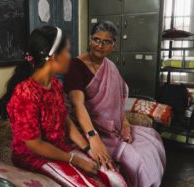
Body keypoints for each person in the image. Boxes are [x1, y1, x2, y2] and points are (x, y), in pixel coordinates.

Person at [0, 25, 127, 187]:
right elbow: (35, 144)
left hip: (60, 148)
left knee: (114, 177)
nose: (70, 57)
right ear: (52, 57)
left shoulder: (55, 84)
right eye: (66, 52)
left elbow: (65, 120)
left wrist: (88, 149)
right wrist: (75, 160)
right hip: (35, 157)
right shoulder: (26, 93)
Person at [63, 21, 166, 187]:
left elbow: (118, 101)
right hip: (88, 128)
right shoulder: (76, 66)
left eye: (106, 41)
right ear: (89, 40)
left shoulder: (109, 66)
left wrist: (124, 123)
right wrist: (93, 137)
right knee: (137, 159)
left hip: (113, 128)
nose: (99, 45)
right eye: (96, 39)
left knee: (153, 140)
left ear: (113, 45)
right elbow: (78, 105)